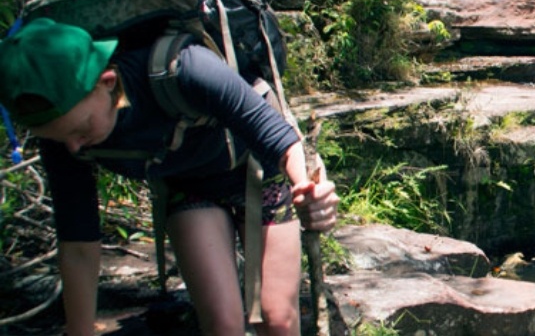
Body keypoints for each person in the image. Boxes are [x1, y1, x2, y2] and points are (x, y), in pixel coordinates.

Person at [0, 18, 339, 336]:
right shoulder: (62, 137)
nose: (73, 147)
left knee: (279, 320)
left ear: (107, 83)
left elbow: (280, 140)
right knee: (223, 325)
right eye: (60, 139)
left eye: (80, 130)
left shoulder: (184, 68)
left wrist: (308, 190)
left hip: (257, 172)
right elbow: (77, 244)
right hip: (189, 186)